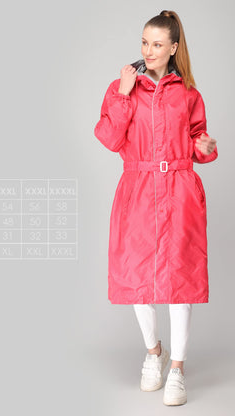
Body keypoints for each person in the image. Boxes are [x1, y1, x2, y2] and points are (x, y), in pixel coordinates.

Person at [93, 10, 218, 406]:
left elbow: (198, 139)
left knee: (181, 279)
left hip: (179, 190)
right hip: (139, 189)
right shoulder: (122, 88)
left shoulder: (188, 94)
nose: (148, 51)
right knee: (137, 277)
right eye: (145, 42)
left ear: (173, 48)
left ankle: (177, 368)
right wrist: (122, 93)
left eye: (158, 44)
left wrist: (205, 147)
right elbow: (110, 138)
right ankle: (154, 354)